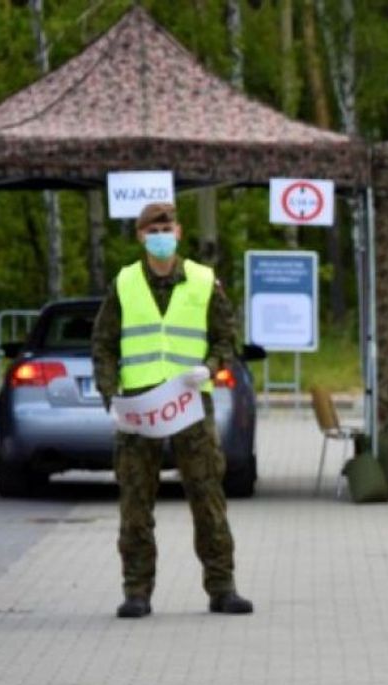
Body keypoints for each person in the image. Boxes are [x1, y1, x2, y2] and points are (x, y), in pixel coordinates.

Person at [90, 202, 253, 619]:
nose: (160, 236)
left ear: (178, 232)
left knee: (207, 497)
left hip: (188, 403)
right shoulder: (125, 283)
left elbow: (226, 338)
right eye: (153, 230)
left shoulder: (203, 280)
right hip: (139, 408)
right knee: (135, 503)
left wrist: (211, 367)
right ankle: (136, 592)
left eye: (167, 228)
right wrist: (110, 394)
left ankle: (222, 588)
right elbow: (103, 344)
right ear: (141, 236)